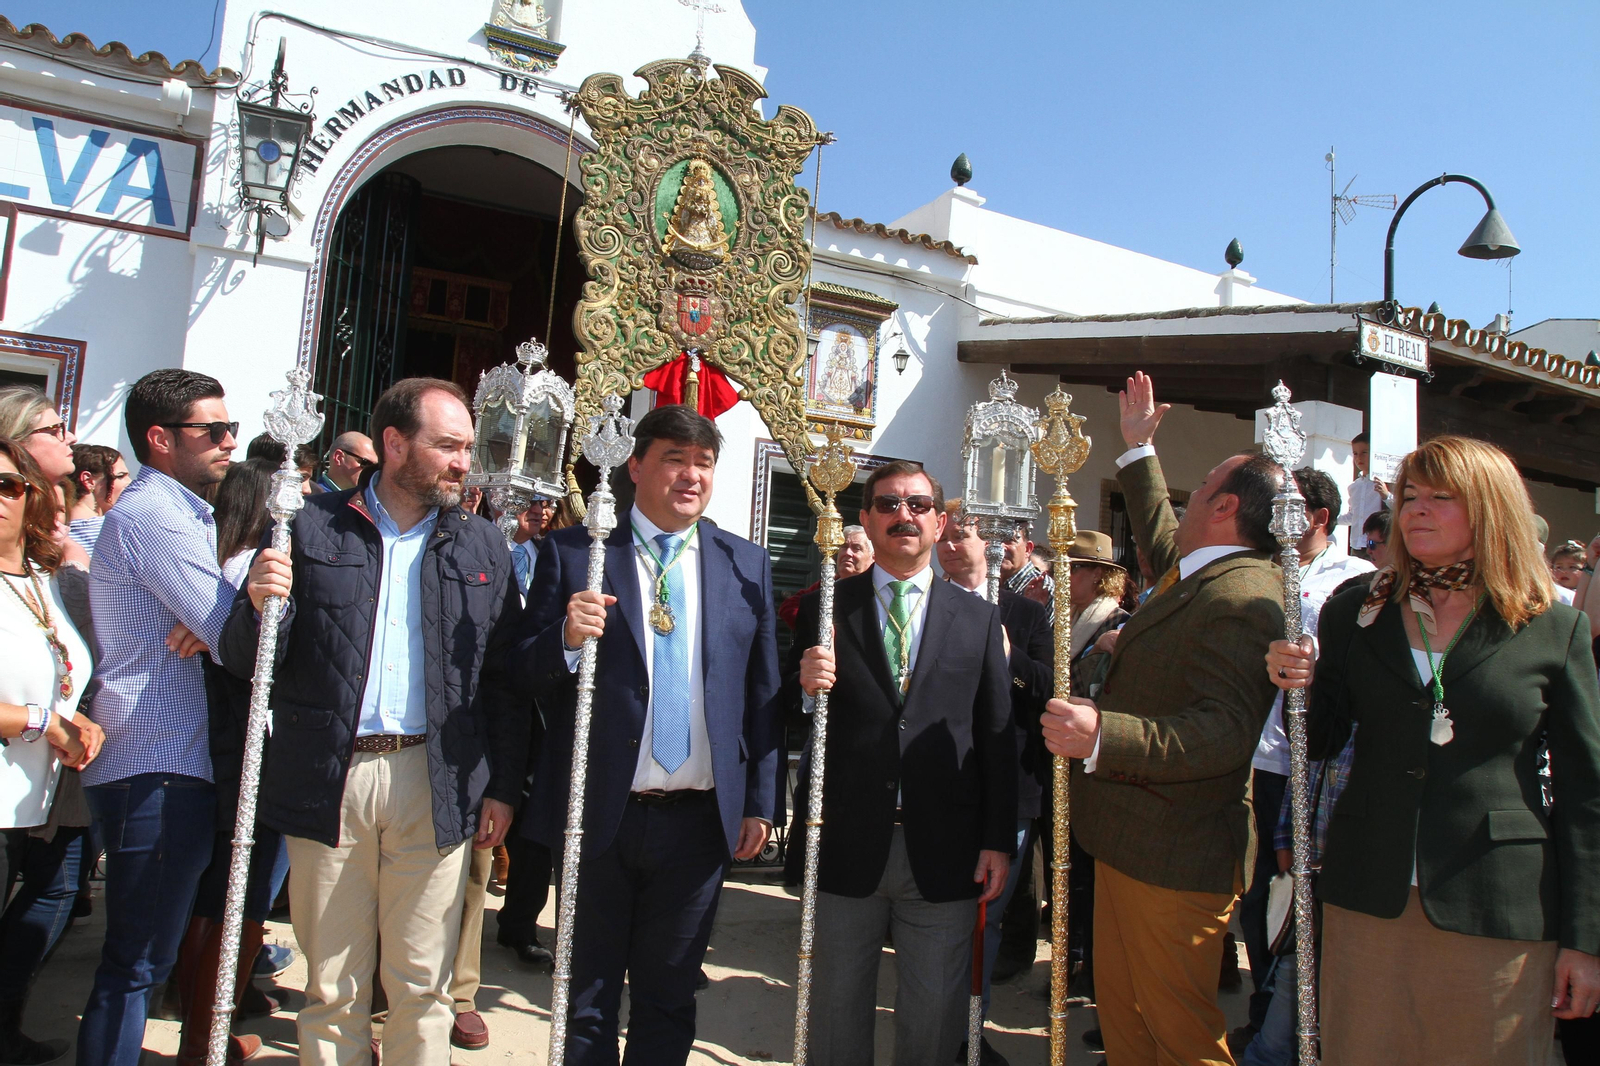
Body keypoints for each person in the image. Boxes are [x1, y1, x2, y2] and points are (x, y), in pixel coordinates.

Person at [1266, 435, 1600, 1064]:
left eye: (1441, 497)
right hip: (1368, 892)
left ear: (1490, 509)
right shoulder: (1355, 612)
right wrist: (1294, 685)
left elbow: (1588, 797)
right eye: (1410, 495)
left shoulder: (1553, 627)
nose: (1416, 509)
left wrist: (1587, 940)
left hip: (1499, 904)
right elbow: (1321, 740)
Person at [221, 378, 525, 1066]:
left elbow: (502, 680)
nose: (461, 463)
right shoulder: (308, 527)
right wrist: (257, 602)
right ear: (394, 444)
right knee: (333, 985)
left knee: (424, 986)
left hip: (435, 778)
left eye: (467, 448)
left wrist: (502, 785)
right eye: (447, 446)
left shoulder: (482, 547)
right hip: (331, 775)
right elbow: (248, 659)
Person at [508, 404, 780, 1066]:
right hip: (598, 813)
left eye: (704, 463)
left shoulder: (745, 564)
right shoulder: (576, 555)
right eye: (674, 459)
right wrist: (566, 640)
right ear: (636, 466)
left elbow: (761, 694)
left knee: (669, 996)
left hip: (697, 824)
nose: (691, 476)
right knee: (588, 996)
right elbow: (518, 674)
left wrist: (761, 802)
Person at [1041, 372, 1285, 1066]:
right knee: (1128, 1023)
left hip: (1177, 858)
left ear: (1226, 505)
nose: (1193, 488)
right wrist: (1139, 449)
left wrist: (1102, 735)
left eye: (1204, 481)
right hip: (1133, 842)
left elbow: (1223, 731)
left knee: (1178, 1036)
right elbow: (1158, 533)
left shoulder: (1245, 597)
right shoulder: (1206, 570)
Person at [791, 460, 1015, 1066]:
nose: (903, 516)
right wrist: (803, 689)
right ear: (863, 520)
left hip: (946, 850)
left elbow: (996, 735)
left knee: (934, 1022)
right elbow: (779, 713)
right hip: (844, 841)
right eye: (888, 505)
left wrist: (998, 838)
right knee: (834, 1018)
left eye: (918, 506)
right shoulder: (827, 608)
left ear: (940, 523)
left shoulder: (977, 617)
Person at [77, 369, 239, 1066]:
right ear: (160, 439)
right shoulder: (156, 517)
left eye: (229, 428)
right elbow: (234, 630)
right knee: (137, 962)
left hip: (161, 761)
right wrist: (223, 618)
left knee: (144, 958)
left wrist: (217, 621)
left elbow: (219, 625)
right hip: (157, 763)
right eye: (213, 431)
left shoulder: (175, 513)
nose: (229, 443)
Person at [1232, 468, 1372, 1051]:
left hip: (1318, 764)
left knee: (1307, 902)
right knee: (1262, 891)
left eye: (1287, 507)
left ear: (1316, 517)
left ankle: (1303, 1028)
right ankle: (1267, 1010)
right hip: (1262, 756)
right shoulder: (1261, 568)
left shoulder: (1359, 580)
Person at [170, 455, 283, 1066]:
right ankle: (203, 1038)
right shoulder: (252, 570)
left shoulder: (225, 565)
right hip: (249, 752)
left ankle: (205, 1029)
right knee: (238, 896)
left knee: (224, 895)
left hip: (234, 749)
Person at [936, 501, 1052, 1065]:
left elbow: (1055, 692)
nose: (952, 545)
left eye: (962, 536)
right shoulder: (926, 608)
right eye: (946, 538)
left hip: (1012, 788)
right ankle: (940, 1028)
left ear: (992, 543)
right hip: (944, 788)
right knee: (940, 917)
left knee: (988, 917)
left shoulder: (1027, 615)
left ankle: (968, 1034)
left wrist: (1010, 657)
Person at [0, 440, 103, 1066]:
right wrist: (50, 724)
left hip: (38, 796)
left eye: (9, 486)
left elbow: (58, 667)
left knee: (54, 896)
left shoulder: (39, 581)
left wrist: (76, 718)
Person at [778, 524, 873, 629]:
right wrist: (816, 627)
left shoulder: (877, 587)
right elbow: (788, 607)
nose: (847, 553)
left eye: (856, 548)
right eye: (844, 546)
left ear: (873, 557)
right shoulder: (828, 584)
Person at [64, 446, 128, 559]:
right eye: (120, 476)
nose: (129, 483)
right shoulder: (115, 533)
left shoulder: (54, 534)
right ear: (88, 481)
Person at [1346, 432, 1389, 556]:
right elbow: (1353, 516)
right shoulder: (1354, 486)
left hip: (1378, 544)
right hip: (1357, 546)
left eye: (1364, 452)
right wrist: (1332, 519)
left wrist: (1386, 496)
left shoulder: (1385, 482)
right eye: (1355, 453)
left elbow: (1398, 508)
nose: (1359, 458)